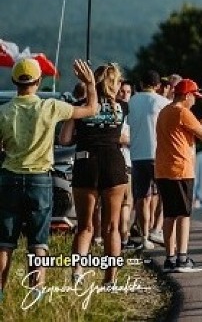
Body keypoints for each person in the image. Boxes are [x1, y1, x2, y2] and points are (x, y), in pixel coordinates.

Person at [0, 58, 96, 298]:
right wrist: (90, 84)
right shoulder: (50, 106)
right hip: (41, 180)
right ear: (39, 81)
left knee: (5, 242)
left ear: (14, 81)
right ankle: (36, 294)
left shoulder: (3, 111)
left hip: (10, 179)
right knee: (38, 241)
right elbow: (91, 110)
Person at [60, 63, 131, 287]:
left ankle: (77, 274)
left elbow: (64, 140)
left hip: (85, 162)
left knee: (85, 226)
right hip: (113, 163)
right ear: (113, 83)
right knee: (112, 226)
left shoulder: (79, 106)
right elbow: (124, 137)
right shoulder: (121, 108)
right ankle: (110, 278)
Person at [155, 78, 202, 273]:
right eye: (194, 97)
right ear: (186, 96)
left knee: (170, 215)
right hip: (180, 170)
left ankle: (170, 258)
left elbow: (192, 128)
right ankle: (182, 258)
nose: (195, 101)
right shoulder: (182, 112)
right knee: (184, 215)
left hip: (163, 170)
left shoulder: (166, 111)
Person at [127, 70, 169, 249]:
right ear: (158, 86)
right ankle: (159, 230)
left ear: (140, 83)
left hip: (137, 156)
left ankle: (144, 236)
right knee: (165, 196)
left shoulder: (131, 102)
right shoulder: (164, 103)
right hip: (159, 155)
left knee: (142, 198)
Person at [116, 80, 134, 250]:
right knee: (123, 203)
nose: (124, 94)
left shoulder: (132, 112)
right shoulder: (116, 111)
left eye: (128, 92)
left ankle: (123, 236)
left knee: (126, 203)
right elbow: (120, 137)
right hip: (119, 162)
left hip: (128, 162)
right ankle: (122, 237)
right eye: (121, 91)